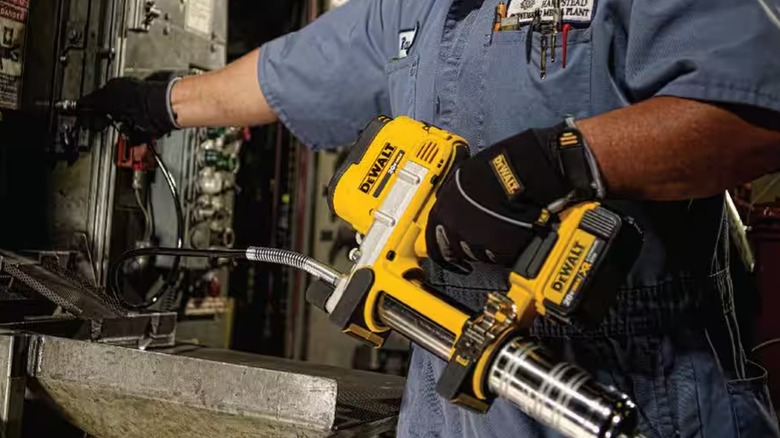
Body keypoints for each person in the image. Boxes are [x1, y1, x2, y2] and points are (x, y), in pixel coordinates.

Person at [76, 0, 780, 436]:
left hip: (641, 381)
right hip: (454, 390)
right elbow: (286, 71)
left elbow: (757, 111)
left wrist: (554, 163)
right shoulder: (415, 6)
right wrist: (160, 101)